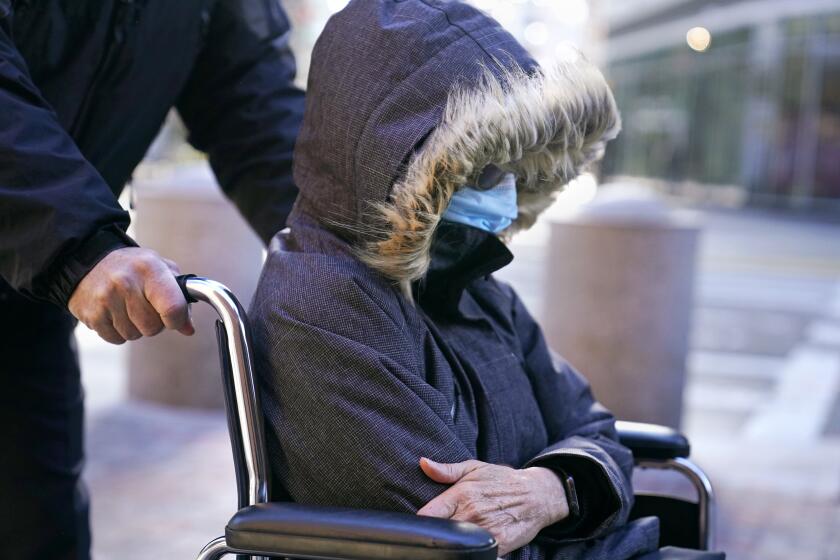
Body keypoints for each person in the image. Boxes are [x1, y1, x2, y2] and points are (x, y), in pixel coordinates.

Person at [249, 1, 725, 559]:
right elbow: (462, 539)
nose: (506, 194)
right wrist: (573, 495)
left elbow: (596, 430)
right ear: (394, 163)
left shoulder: (468, 277)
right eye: (486, 168)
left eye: (514, 167)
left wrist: (553, 489)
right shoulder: (319, 306)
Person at [0, 1, 304, 558]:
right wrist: (78, 244)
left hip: (25, 311)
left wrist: (345, 246)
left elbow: (251, 101)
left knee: (39, 532)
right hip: (49, 247)